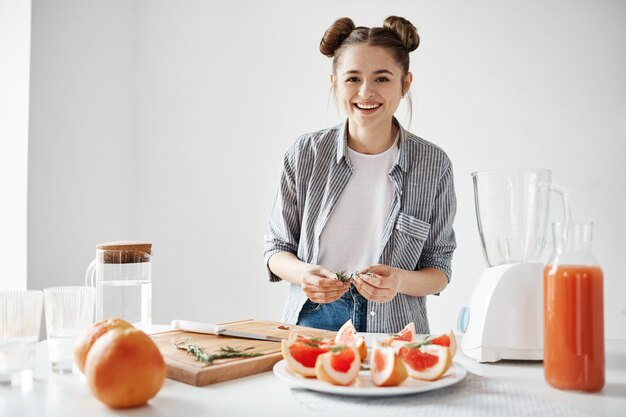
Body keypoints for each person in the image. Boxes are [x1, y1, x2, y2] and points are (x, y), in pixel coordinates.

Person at [263, 16, 456, 334]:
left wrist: (398, 281)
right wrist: (306, 275)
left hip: (396, 323)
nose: (366, 92)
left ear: (405, 84)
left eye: (382, 79)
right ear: (335, 82)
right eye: (353, 78)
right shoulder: (305, 154)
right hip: (314, 317)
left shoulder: (434, 164)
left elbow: (440, 267)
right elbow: (276, 249)